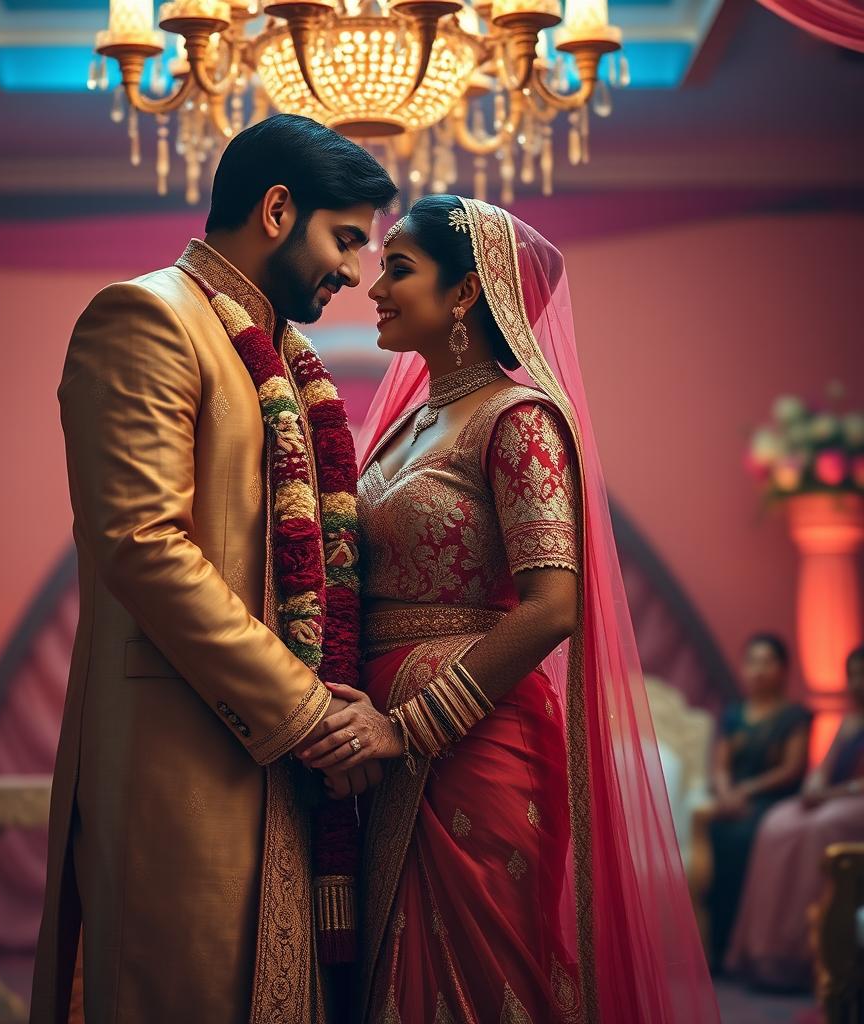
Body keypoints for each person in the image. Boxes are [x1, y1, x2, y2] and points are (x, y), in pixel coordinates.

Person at [297, 195, 719, 1023]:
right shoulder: (403, 426)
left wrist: (409, 727)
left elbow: (552, 607)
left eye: (400, 269)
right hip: (379, 745)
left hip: (471, 743)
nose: (375, 288)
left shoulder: (518, 420)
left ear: (464, 294)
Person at [29, 114, 397, 1024]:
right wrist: (308, 710)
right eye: (345, 238)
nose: (355, 271)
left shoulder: (288, 358)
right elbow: (142, 545)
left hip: (277, 758)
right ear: (278, 209)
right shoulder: (147, 317)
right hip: (180, 755)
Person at [727, 645, 864, 988]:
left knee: (820, 826)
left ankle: (805, 954)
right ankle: (763, 951)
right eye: (853, 675)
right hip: (832, 798)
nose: (857, 683)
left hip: (853, 803)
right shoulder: (849, 719)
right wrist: (813, 786)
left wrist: (828, 795)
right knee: (777, 823)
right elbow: (825, 768)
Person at [705, 632, 813, 969]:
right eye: (752, 661)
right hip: (733, 800)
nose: (758, 669)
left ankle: (745, 948)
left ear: (783, 669)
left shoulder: (794, 716)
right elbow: (720, 765)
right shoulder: (734, 714)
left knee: (743, 838)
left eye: (767, 662)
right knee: (710, 836)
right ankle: (714, 947)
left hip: (772, 801)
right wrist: (724, 793)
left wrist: (746, 792)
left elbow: (792, 770)